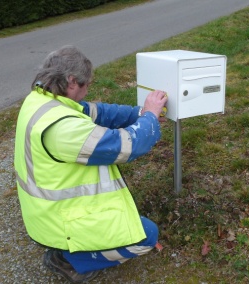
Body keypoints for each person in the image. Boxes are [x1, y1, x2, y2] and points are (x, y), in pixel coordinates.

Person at [13, 45, 168, 283]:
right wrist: (150, 117)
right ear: (72, 81)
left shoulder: (42, 101)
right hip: (60, 220)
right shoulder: (63, 129)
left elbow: (98, 112)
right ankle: (69, 260)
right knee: (146, 236)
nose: (87, 92)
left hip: (45, 214)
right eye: (86, 85)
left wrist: (139, 113)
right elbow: (127, 146)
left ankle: (70, 249)